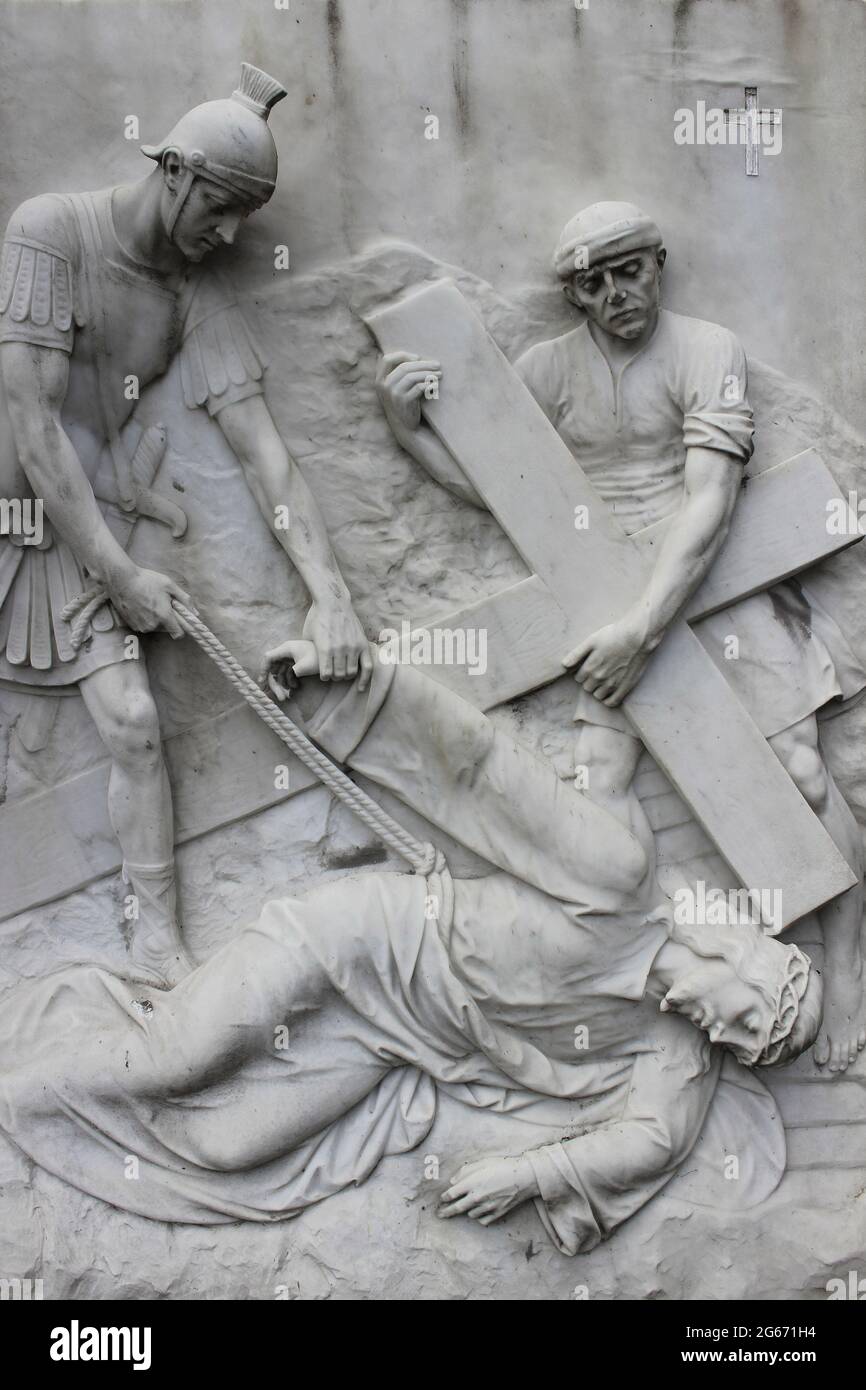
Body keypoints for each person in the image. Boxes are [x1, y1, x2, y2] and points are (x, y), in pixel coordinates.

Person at [0, 644, 821, 1253]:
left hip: (393, 1042)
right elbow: (479, 773)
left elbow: (656, 1139)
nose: (727, 1041)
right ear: (742, 958)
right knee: (175, 1061)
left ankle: (61, 1085)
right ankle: (21, 1085)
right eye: (747, 1021)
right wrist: (350, 687)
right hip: (357, 943)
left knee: (228, 1148)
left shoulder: (672, 1045)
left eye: (745, 1048)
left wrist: (522, 1175)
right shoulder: (620, 881)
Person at [375, 200, 865, 1072]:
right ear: (574, 295)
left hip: (716, 588)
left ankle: (851, 974)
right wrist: (409, 437)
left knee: (801, 777)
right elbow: (504, 492)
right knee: (595, 796)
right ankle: (684, 971)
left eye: (628, 271)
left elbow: (711, 502)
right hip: (600, 604)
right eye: (591, 284)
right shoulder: (550, 370)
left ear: (659, 263)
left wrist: (643, 628)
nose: (615, 295)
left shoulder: (707, 349)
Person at [0, 65, 371, 986]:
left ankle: (155, 937)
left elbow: (265, 455)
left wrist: (333, 596)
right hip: (52, 515)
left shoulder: (191, 296)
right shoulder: (49, 231)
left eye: (249, 213)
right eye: (222, 204)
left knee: (131, 721)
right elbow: (32, 426)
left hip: (67, 536)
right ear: (174, 171)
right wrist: (124, 576)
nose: (233, 232)